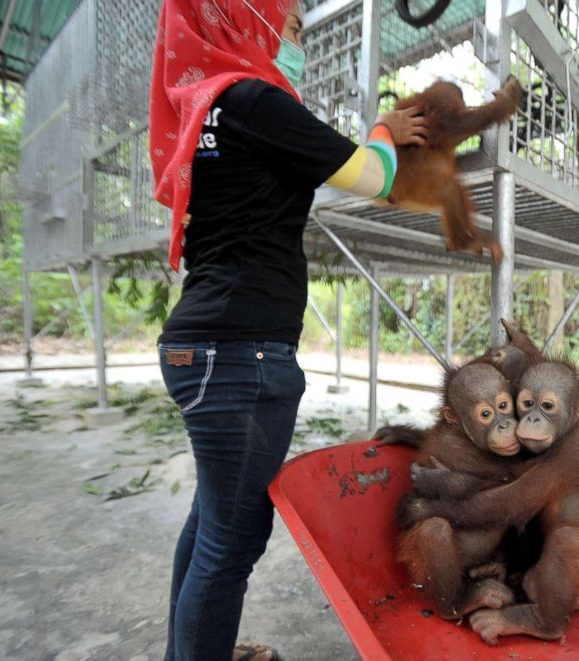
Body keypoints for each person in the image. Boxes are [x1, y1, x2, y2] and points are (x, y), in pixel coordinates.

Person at [148, 1, 426, 659]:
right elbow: (373, 175)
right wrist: (385, 127)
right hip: (239, 351)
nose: (297, 43)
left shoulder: (205, 104)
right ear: (250, 19)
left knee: (212, 523)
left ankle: (191, 651)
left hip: (207, 345)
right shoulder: (253, 99)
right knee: (233, 537)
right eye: (294, 28)